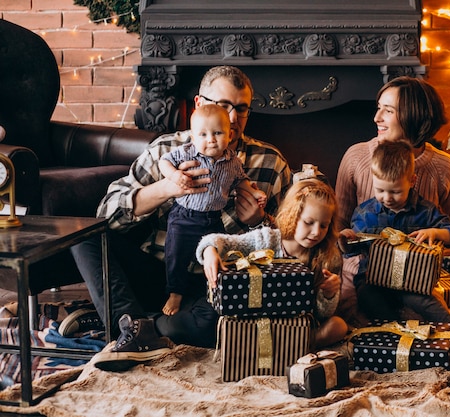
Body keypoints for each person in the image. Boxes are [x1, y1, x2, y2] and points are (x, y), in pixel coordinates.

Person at [71, 66, 292, 372]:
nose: (231, 118)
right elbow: (107, 215)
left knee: (219, 326)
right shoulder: (167, 150)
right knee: (84, 236)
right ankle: (137, 329)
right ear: (200, 104)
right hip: (158, 272)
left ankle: (133, 323)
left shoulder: (269, 163)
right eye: (223, 106)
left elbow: (289, 249)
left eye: (241, 109)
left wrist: (259, 220)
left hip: (216, 284)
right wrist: (165, 188)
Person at [334, 76, 450, 323]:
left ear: (413, 116)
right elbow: (338, 228)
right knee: (356, 322)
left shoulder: (444, 168)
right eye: (378, 108)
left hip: (416, 279)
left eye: (388, 111)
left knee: (427, 325)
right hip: (364, 276)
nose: (377, 118)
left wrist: (433, 241)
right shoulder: (356, 157)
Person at [197, 179, 348, 348]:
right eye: (309, 222)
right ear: (293, 215)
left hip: (296, 327)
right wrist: (210, 250)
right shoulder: (267, 239)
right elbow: (219, 240)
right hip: (255, 321)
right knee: (204, 324)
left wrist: (328, 295)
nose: (316, 232)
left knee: (338, 326)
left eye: (324, 225)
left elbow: (322, 314)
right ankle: (284, 347)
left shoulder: (327, 257)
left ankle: (289, 347)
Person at [158, 104, 266, 316]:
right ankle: (175, 292)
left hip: (214, 219)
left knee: (220, 256)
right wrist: (173, 175)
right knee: (176, 255)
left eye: (217, 133)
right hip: (184, 217)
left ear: (229, 134)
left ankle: (215, 289)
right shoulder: (187, 152)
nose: (211, 139)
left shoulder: (232, 161)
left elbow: (240, 182)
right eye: (203, 134)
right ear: (193, 136)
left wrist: (254, 194)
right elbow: (164, 161)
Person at [339, 140, 450, 323]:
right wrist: (346, 241)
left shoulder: (425, 211)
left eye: (395, 192)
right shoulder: (365, 214)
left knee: (431, 307)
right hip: (373, 282)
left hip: (413, 284)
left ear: (412, 181)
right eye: (380, 190)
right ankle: (395, 331)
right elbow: (353, 251)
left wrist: (434, 233)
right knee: (368, 301)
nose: (387, 198)